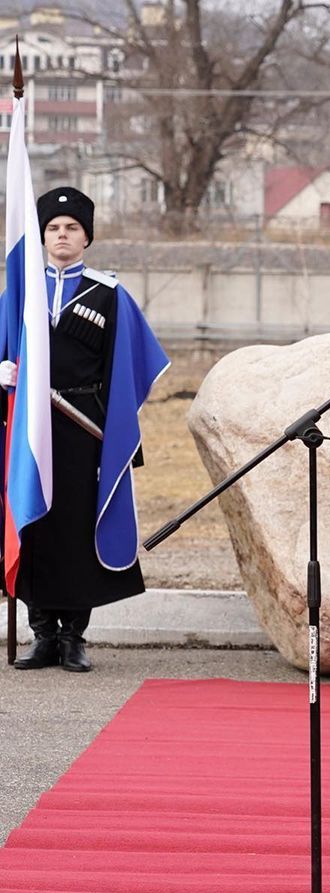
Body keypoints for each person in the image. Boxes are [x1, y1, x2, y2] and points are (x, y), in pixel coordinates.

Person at [0, 187, 169, 672]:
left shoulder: (109, 293)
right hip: (31, 432)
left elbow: (133, 366)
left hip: (84, 430)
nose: (62, 235)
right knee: (34, 525)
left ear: (86, 237)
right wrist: (2, 373)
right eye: (53, 228)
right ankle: (42, 635)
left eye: (71, 227)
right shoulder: (21, 291)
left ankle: (73, 637)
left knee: (77, 528)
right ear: (41, 236)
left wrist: (113, 427)